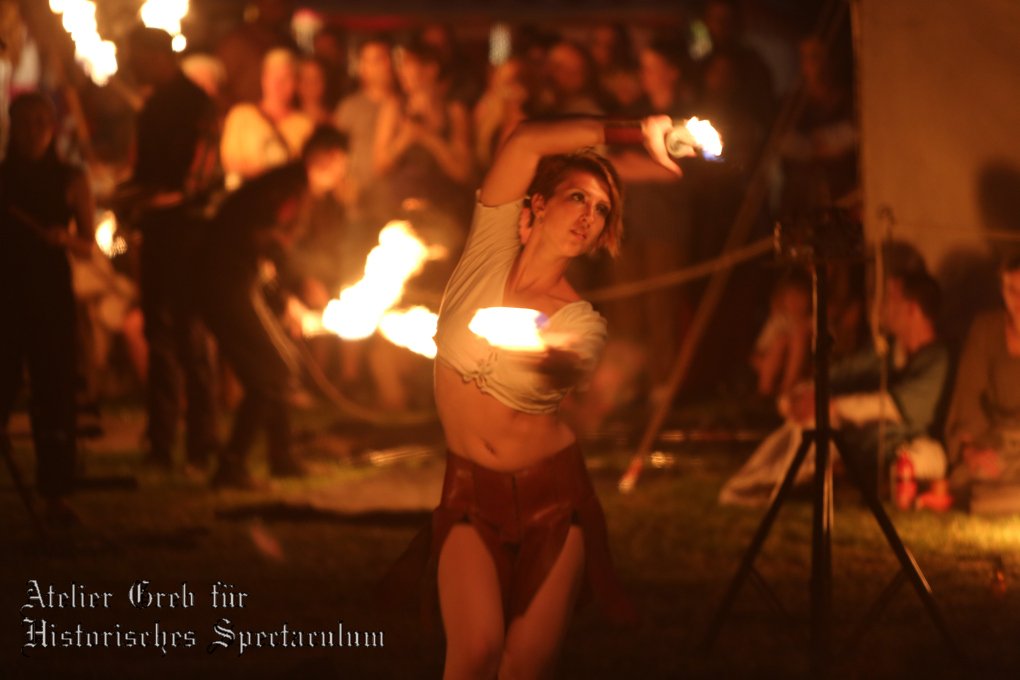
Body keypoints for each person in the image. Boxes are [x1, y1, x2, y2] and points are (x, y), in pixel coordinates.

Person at [383, 115, 687, 677]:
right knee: (472, 654)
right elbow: (524, 139)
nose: (588, 216)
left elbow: (568, 364)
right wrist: (634, 130)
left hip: (553, 504)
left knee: (521, 668)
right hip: (470, 494)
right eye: (577, 197)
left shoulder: (580, 318)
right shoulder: (485, 255)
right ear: (538, 205)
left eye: (600, 212)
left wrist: (544, 351)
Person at [721, 267, 950, 506]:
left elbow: (893, 405)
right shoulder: (888, 350)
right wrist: (800, 395)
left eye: (891, 300)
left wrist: (830, 406)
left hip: (902, 449)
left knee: (822, 419)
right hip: (860, 443)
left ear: (911, 309)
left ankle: (775, 486)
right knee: (809, 421)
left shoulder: (937, 358)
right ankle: (758, 485)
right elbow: (843, 373)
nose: (882, 308)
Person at [199, 126, 349, 489]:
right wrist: (295, 288)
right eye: (341, 165)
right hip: (225, 279)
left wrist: (287, 295)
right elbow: (267, 240)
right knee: (273, 369)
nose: (341, 175)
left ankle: (282, 458)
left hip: (236, 277)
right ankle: (231, 466)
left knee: (283, 362)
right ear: (326, 158)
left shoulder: (287, 185)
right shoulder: (290, 189)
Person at [122, 26, 219, 475]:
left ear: (158, 55)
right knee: (158, 337)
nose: (131, 64)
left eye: (136, 56)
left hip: (190, 237)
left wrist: (143, 199)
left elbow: (195, 183)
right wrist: (126, 196)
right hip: (159, 236)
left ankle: (201, 442)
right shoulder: (153, 107)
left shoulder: (197, 106)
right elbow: (145, 171)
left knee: (190, 337)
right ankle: (162, 441)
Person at [0, 92, 95, 525]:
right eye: (26, 122)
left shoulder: (72, 178)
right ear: (11, 126)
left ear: (53, 128)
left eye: (43, 121)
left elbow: (88, 246)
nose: (35, 129)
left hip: (50, 296)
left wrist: (65, 238)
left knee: (54, 393)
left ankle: (56, 493)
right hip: (5, 295)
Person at [942, 255, 1020, 509]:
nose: (1019, 301)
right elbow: (968, 394)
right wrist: (970, 449)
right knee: (973, 474)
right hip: (998, 441)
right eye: (1012, 290)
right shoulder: (986, 330)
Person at [220, 48, 313, 190]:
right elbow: (230, 162)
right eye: (273, 77)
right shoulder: (241, 115)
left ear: (295, 83)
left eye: (285, 78)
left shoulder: (305, 125)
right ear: (264, 79)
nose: (278, 84)